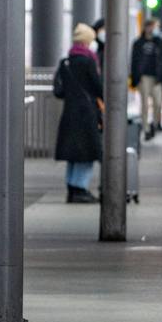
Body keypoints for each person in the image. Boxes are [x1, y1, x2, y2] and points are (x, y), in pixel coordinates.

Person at [53, 22, 105, 203]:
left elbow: (58, 91)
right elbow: (98, 87)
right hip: (86, 111)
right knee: (87, 152)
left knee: (73, 153)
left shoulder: (65, 62)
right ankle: (81, 188)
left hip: (69, 112)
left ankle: (71, 188)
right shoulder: (88, 61)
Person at [130, 19, 162, 140]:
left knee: (158, 103)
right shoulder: (138, 43)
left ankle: (154, 124)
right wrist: (135, 78)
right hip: (144, 76)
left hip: (156, 77)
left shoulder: (159, 42)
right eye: (151, 27)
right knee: (144, 104)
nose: (153, 29)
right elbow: (134, 61)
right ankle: (146, 128)